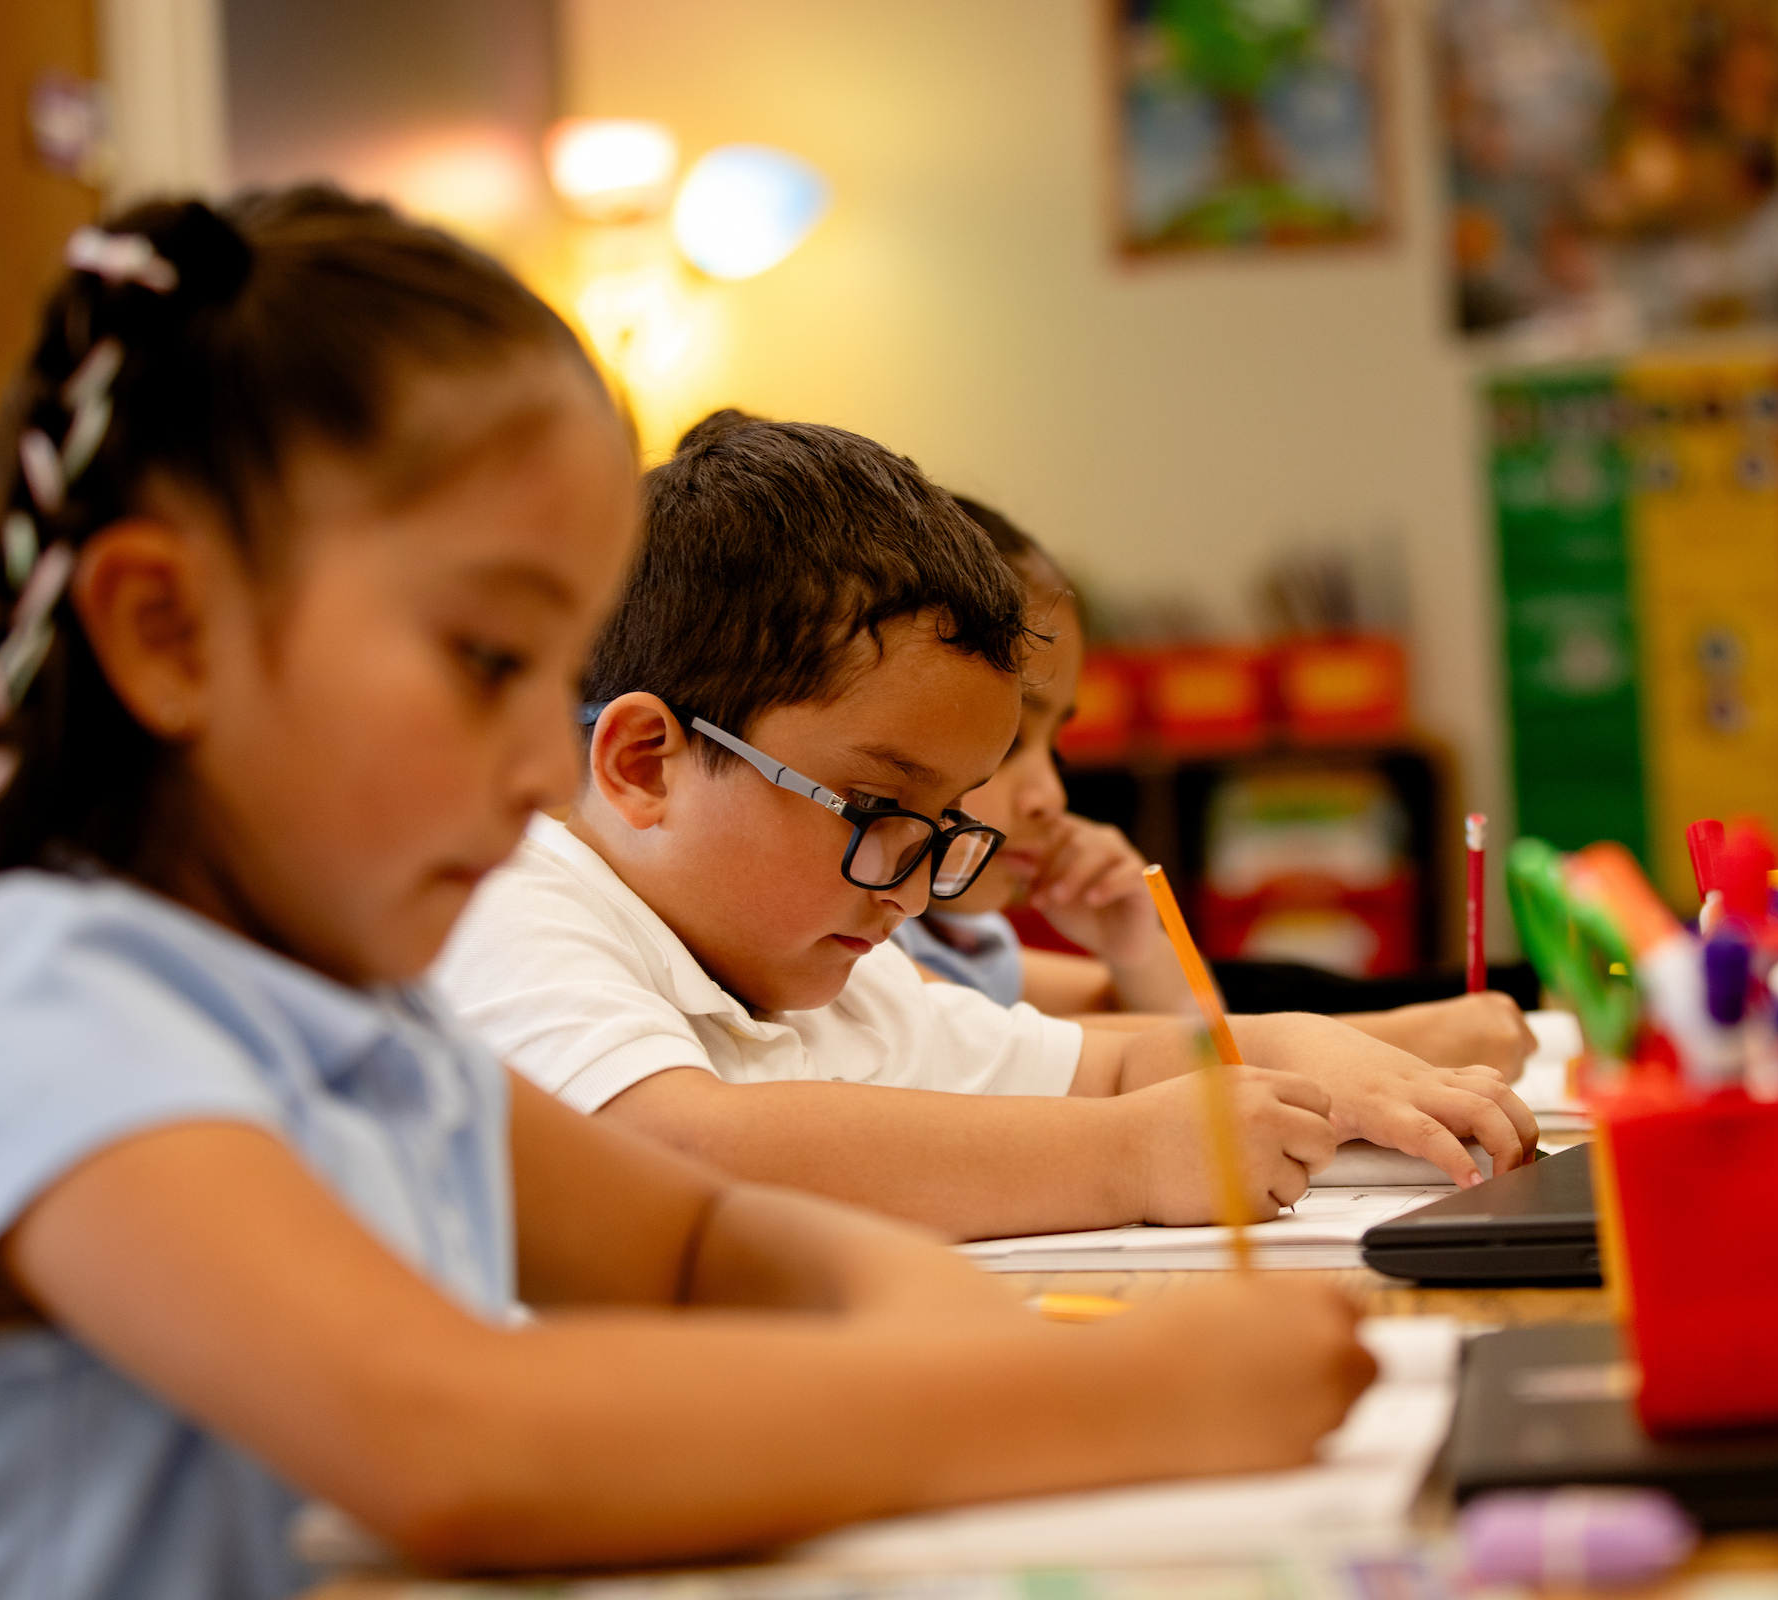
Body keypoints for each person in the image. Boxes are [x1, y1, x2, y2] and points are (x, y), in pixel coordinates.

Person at [0, 191, 1375, 1599]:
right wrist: (1113, 1398)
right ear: (170, 635)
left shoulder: (358, 1016)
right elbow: (453, 1442)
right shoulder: (57, 1007)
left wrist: (949, 1330)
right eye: (491, 662)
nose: (535, 769)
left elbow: (702, 1243)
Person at [435, 411, 1537, 1243]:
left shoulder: (837, 975)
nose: (914, 892)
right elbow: (669, 1146)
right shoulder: (514, 899)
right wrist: (1129, 1162)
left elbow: (1098, 1072)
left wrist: (1292, 1049)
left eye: (942, 828)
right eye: (876, 810)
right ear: (644, 764)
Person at [898, 496, 1539, 1083]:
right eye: (1008, 747)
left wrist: (1135, 945)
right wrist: (1399, 1039)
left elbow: (1175, 1022)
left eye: (1055, 746)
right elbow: (1061, 1054)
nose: (1051, 797)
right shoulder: (879, 954)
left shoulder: (970, 941)